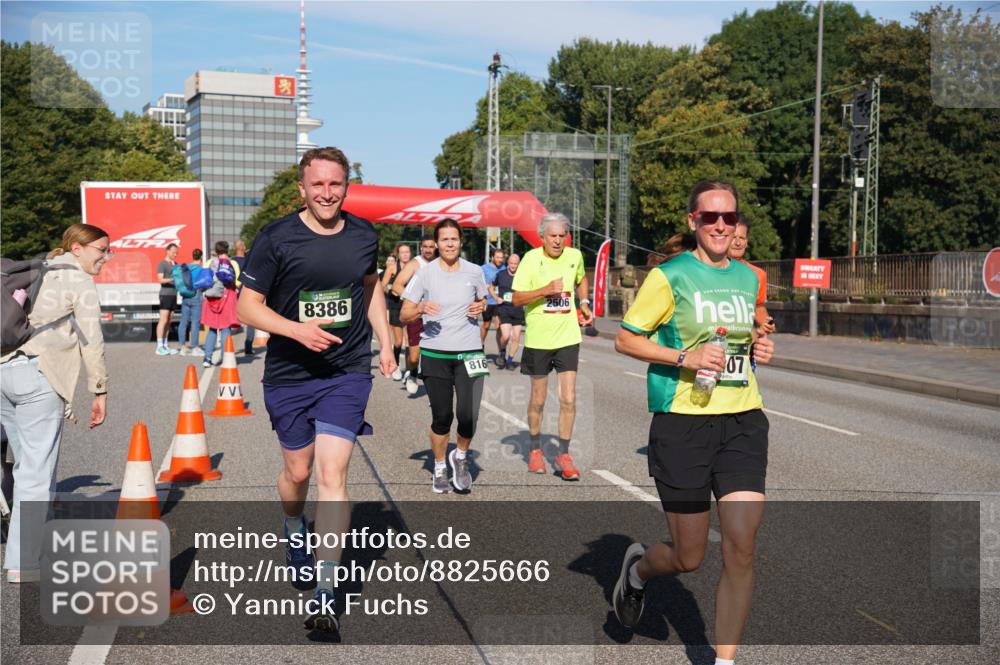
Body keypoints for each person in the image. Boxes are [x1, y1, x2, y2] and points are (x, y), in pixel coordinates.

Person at [612, 179, 775, 665]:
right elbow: (626, 339)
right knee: (689, 557)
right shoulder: (670, 277)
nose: (721, 225)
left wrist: (759, 350)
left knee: (741, 547)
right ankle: (638, 573)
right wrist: (685, 356)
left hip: (743, 419)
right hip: (683, 424)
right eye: (711, 217)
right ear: (693, 222)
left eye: (729, 217)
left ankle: (724, 661)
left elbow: (736, 346)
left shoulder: (748, 278)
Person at [237, 146, 395, 636]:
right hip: (290, 373)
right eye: (318, 184)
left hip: (346, 371)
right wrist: (296, 330)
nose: (327, 193)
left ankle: (326, 595)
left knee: (333, 474)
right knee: (297, 471)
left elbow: (370, 290)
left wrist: (386, 343)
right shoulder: (277, 237)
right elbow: (248, 307)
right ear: (302, 189)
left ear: (346, 186)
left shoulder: (365, 233)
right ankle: (291, 525)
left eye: (336, 184)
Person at [1, 223, 110, 582]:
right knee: (36, 471)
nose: (106, 258)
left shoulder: (35, 270)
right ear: (76, 248)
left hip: (3, 372)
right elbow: (91, 339)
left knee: (26, 467)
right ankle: (23, 563)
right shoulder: (78, 281)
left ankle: (30, 544)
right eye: (101, 250)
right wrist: (99, 390)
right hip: (39, 376)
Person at [400, 219, 488, 494]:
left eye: (454, 239)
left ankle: (460, 458)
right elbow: (404, 314)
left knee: (468, 415)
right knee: (442, 415)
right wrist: (421, 307)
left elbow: (483, 301)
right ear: (436, 243)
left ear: (461, 241)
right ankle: (439, 466)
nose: (449, 244)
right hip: (435, 353)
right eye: (444, 239)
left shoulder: (474, 272)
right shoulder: (425, 275)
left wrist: (481, 305)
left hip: (471, 352)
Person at [511, 213, 593, 480]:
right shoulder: (530, 259)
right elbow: (516, 299)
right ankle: (535, 450)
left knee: (568, 398)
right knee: (539, 399)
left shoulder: (574, 256)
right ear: (542, 237)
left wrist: (583, 303)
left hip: (568, 338)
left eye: (562, 236)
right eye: (553, 236)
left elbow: (581, 280)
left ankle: (564, 453)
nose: (558, 241)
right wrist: (544, 290)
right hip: (538, 340)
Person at [392, 235, 437, 395]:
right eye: (425, 246)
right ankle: (411, 373)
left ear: (436, 247)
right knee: (414, 355)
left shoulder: (442, 263)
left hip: (436, 314)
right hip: (417, 313)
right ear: (421, 248)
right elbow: (397, 285)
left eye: (431, 246)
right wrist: (414, 300)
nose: (428, 249)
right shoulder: (415, 264)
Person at [728, 214, 775, 334]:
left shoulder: (758, 274)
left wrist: (766, 323)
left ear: (747, 242)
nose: (737, 243)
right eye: (733, 237)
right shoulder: (709, 267)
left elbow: (758, 306)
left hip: (742, 342)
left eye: (742, 238)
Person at [200, 241, 240, 367]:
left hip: (212, 298)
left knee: (212, 328)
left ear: (216, 251)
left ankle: (207, 358)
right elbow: (238, 282)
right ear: (227, 250)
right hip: (227, 297)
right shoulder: (232, 263)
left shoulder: (209, 262)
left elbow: (204, 279)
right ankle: (225, 359)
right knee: (225, 328)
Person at [381, 243, 412, 381]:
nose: (405, 254)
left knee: (410, 341)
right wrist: (392, 291)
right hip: (395, 305)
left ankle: (410, 371)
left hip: (410, 305)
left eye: (407, 252)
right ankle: (397, 365)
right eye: (402, 252)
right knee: (399, 342)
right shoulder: (393, 267)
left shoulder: (415, 267)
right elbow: (382, 286)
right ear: (398, 254)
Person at [489, 252, 524, 369]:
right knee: (505, 336)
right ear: (508, 263)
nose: (513, 266)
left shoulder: (523, 276)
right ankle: (502, 351)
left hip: (517, 309)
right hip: (504, 308)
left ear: (519, 264)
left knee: (516, 337)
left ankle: (509, 360)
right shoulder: (501, 274)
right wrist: (495, 298)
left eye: (515, 264)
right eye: (511, 263)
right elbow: (490, 287)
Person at [178, 248, 206, 357]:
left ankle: (183, 347)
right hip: (196, 296)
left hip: (185, 296)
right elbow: (204, 284)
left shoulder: (186, 268)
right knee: (195, 323)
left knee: (183, 321)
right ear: (201, 258)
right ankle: (195, 347)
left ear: (192, 256)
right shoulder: (200, 269)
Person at [231, 238, 257, 355]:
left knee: (230, 321)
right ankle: (248, 346)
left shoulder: (231, 261)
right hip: (247, 294)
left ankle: (227, 347)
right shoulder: (249, 261)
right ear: (242, 248)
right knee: (250, 322)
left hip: (233, 294)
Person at [479, 247, 506, 357]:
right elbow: (478, 282)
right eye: (498, 257)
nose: (500, 259)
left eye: (502, 257)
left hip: (499, 302)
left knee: (499, 326)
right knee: (486, 325)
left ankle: (501, 352)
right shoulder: (484, 268)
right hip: (488, 301)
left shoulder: (505, 268)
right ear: (492, 257)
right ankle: (480, 346)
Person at [155, 243, 180, 355]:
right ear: (167, 251)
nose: (175, 254)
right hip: (165, 295)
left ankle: (165, 345)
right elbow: (160, 279)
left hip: (173, 295)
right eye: (173, 252)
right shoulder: (162, 264)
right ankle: (159, 346)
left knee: (169, 321)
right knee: (163, 320)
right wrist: (172, 278)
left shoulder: (175, 264)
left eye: (176, 252)